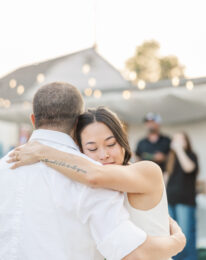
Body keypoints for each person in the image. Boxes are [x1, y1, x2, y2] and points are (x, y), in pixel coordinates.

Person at [8, 102, 185, 259]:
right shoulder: (85, 185)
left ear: (123, 141)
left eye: (111, 144)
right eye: (92, 148)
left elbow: (95, 175)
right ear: (80, 151)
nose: (104, 154)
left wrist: (43, 151)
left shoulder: (147, 170)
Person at [166, 132, 199, 260]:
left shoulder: (191, 155)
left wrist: (179, 150)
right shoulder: (170, 159)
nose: (177, 142)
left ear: (186, 142)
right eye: (175, 139)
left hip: (185, 201)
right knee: (173, 237)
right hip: (170, 201)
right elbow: (165, 179)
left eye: (180, 139)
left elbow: (188, 168)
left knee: (186, 236)